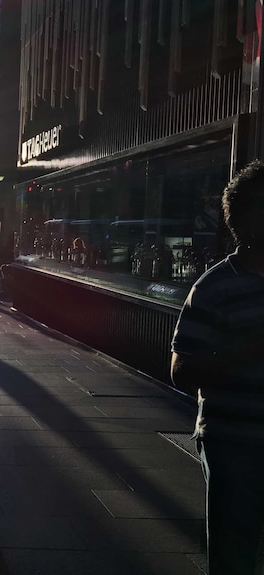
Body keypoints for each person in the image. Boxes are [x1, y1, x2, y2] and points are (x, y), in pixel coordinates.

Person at [170, 159, 264, 575]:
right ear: (243, 220)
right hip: (233, 442)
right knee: (234, 553)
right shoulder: (213, 286)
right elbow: (181, 369)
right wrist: (245, 354)